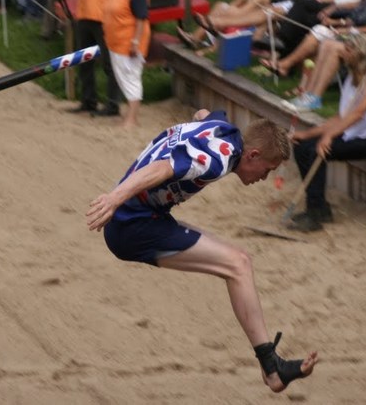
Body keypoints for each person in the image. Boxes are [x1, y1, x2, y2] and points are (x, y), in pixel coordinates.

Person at [86, 110, 318, 393]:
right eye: (267, 170)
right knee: (238, 264)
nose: (265, 177)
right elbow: (162, 169)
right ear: (253, 155)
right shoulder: (215, 161)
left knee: (238, 262)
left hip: (145, 217)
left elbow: (203, 114)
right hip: (132, 227)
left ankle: (270, 366)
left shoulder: (224, 129)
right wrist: (114, 198)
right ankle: (272, 369)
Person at [290, 32, 366, 232]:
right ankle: (319, 207)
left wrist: (328, 137)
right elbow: (340, 117)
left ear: (359, 52)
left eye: (347, 50)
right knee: (302, 147)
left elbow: (358, 113)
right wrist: (308, 134)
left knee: (315, 152)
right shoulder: (352, 78)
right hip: (353, 133)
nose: (343, 54)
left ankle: (315, 213)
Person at [102, 0, 151, 128]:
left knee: (131, 77)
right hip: (116, 40)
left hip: (129, 41)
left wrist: (135, 42)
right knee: (123, 77)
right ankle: (130, 116)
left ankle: (132, 118)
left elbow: (141, 17)